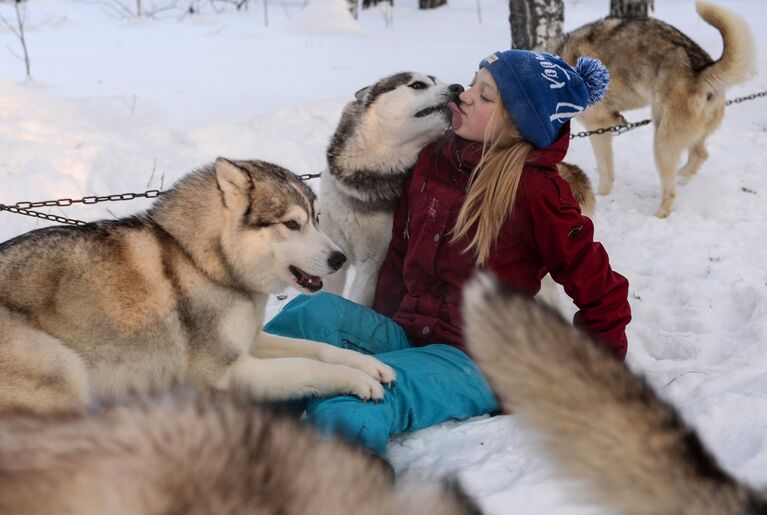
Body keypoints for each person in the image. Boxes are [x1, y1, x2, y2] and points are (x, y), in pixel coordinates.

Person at [264, 49, 631, 457]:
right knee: (309, 315)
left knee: (359, 392)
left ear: (517, 125)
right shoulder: (432, 162)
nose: (465, 94)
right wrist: (377, 332)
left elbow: (602, 292)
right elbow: (399, 257)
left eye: (486, 96)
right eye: (474, 83)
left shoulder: (537, 191)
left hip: (475, 361)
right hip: (411, 334)